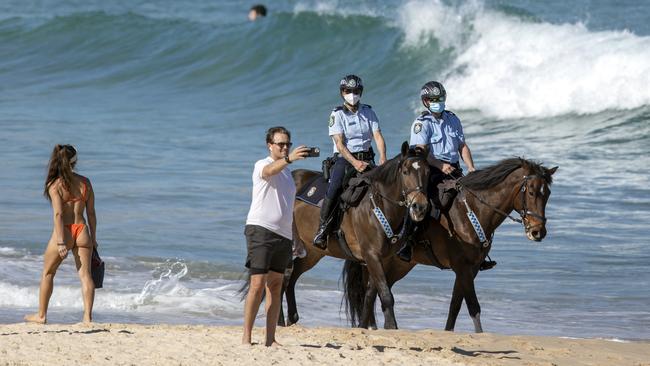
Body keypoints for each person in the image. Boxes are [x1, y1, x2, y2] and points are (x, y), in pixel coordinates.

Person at [396, 81, 481, 263]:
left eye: (440, 99)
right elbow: (420, 153)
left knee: (471, 199)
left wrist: (471, 168)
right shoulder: (421, 123)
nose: (438, 102)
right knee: (424, 203)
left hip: (454, 169)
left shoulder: (453, 119)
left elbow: (462, 146)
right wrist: (441, 166)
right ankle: (408, 242)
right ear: (425, 101)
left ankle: (477, 247)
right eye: (434, 99)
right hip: (432, 170)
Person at [242, 127, 309, 347]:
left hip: (283, 234)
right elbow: (269, 171)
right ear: (270, 145)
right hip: (260, 229)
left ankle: (270, 339)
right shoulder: (262, 164)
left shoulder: (288, 175)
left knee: (276, 285)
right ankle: (246, 337)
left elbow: (288, 208)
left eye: (287, 144)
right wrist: (289, 159)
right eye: (280, 144)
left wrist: (295, 236)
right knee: (257, 283)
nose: (285, 147)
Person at [24, 145, 98, 324]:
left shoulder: (54, 185)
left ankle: (41, 315)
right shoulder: (85, 182)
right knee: (86, 275)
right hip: (82, 230)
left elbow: (58, 214)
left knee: (48, 272)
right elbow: (92, 213)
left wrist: (61, 242)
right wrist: (93, 239)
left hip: (64, 232)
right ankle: (87, 317)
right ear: (75, 162)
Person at [313, 74, 387, 249]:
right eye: (348, 91)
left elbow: (378, 136)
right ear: (342, 92)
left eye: (355, 91)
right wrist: (355, 163)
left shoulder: (369, 111)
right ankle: (322, 229)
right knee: (335, 187)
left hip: (368, 159)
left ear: (361, 92)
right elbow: (339, 144)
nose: (352, 94)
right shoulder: (337, 114)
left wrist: (383, 158)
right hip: (345, 160)